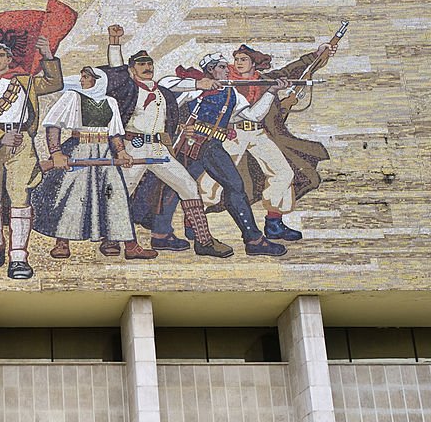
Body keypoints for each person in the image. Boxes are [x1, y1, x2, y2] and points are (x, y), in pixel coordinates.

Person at [100, 25, 231, 258]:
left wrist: (198, 87)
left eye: (149, 64)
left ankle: (204, 241)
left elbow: (172, 86)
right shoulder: (129, 89)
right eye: (141, 65)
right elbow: (117, 69)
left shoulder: (163, 91)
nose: (147, 68)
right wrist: (114, 41)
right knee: (122, 191)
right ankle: (110, 239)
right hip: (133, 147)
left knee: (189, 186)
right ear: (132, 70)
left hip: (159, 149)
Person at [197, 42, 337, 241]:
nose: (238, 63)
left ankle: (274, 223)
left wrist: (317, 54)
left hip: (258, 133)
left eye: (243, 59)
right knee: (214, 177)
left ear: (254, 63)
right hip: (233, 134)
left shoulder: (265, 80)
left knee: (283, 172)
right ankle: (194, 217)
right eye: (236, 59)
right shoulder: (224, 77)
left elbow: (292, 70)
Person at [157, 53, 289, 256]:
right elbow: (164, 84)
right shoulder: (195, 88)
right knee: (222, 186)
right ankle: (253, 240)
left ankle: (162, 235)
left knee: (185, 186)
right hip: (191, 145)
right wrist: (198, 84)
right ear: (210, 70)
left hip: (210, 145)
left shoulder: (232, 93)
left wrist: (271, 92)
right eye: (221, 67)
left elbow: (254, 116)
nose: (227, 70)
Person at [0, 35, 63, 278]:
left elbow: (54, 83)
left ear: (10, 59)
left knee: (20, 197)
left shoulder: (26, 81)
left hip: (21, 143)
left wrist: (47, 55)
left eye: (0, 55)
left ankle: (18, 257)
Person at [30, 66, 137, 259]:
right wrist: (56, 154)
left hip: (105, 152)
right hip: (78, 149)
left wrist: (121, 152)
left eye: (86, 77)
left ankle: (112, 238)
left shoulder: (110, 102)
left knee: (112, 193)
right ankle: (62, 241)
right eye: (81, 76)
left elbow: (114, 132)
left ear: (99, 80)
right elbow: (53, 125)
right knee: (71, 193)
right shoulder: (72, 97)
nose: (82, 80)